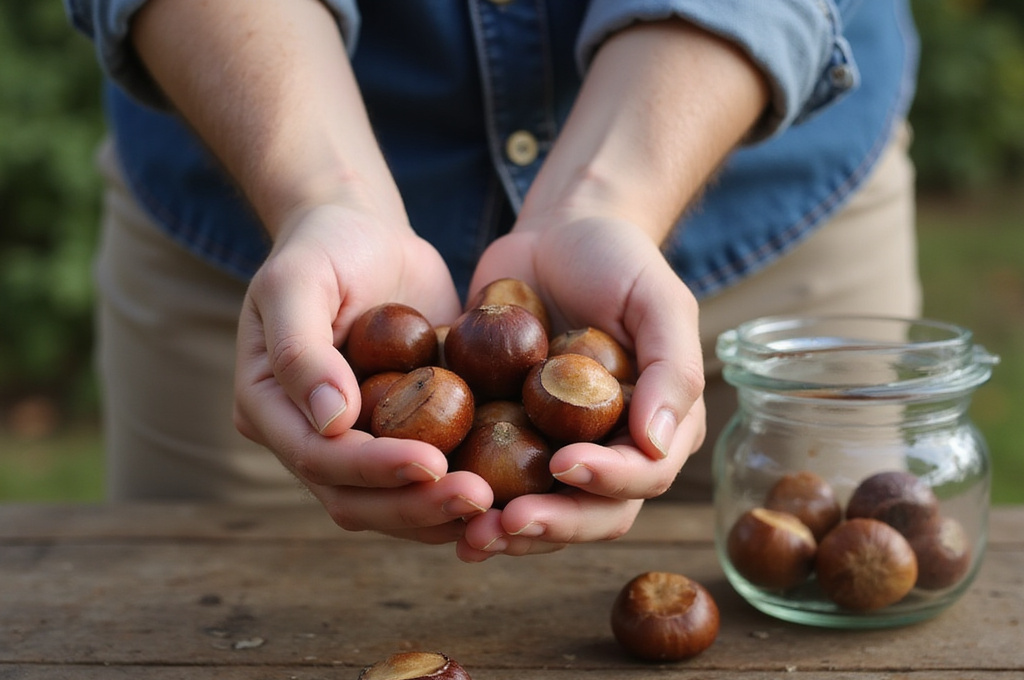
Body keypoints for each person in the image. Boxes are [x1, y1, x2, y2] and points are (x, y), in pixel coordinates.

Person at [64, 0, 921, 562]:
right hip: (261, 213)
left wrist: (614, 195)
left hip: (755, 185)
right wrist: (321, 193)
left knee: (807, 593)